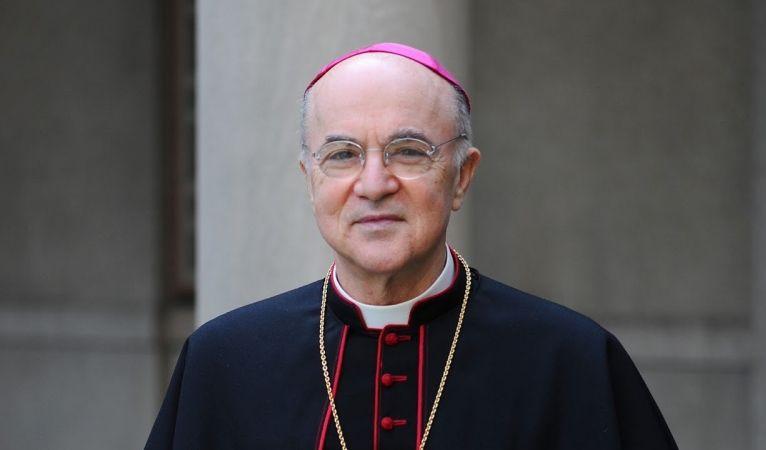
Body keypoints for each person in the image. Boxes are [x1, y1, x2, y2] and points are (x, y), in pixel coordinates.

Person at [145, 42, 678, 450]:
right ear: (310, 181)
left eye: (408, 151)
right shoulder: (223, 362)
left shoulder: (572, 360)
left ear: (461, 177)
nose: (374, 184)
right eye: (342, 155)